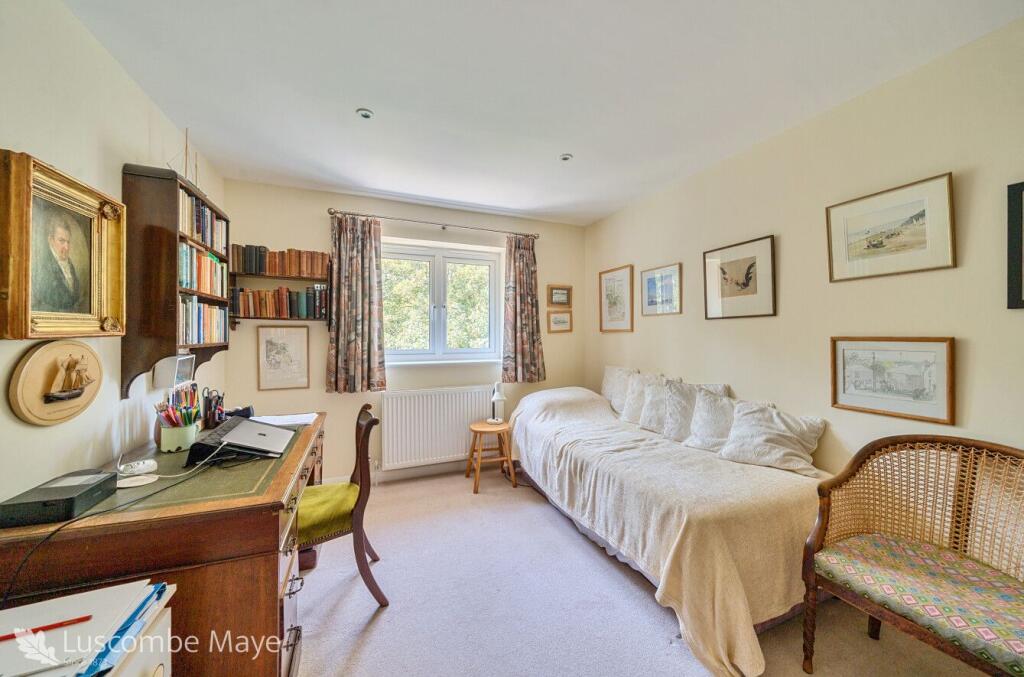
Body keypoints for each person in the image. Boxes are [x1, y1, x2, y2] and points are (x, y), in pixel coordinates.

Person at [32, 215, 84, 312]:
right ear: (51, 240)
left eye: (68, 242)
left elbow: (76, 296)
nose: (66, 247)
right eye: (62, 241)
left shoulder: (70, 264)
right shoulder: (42, 266)